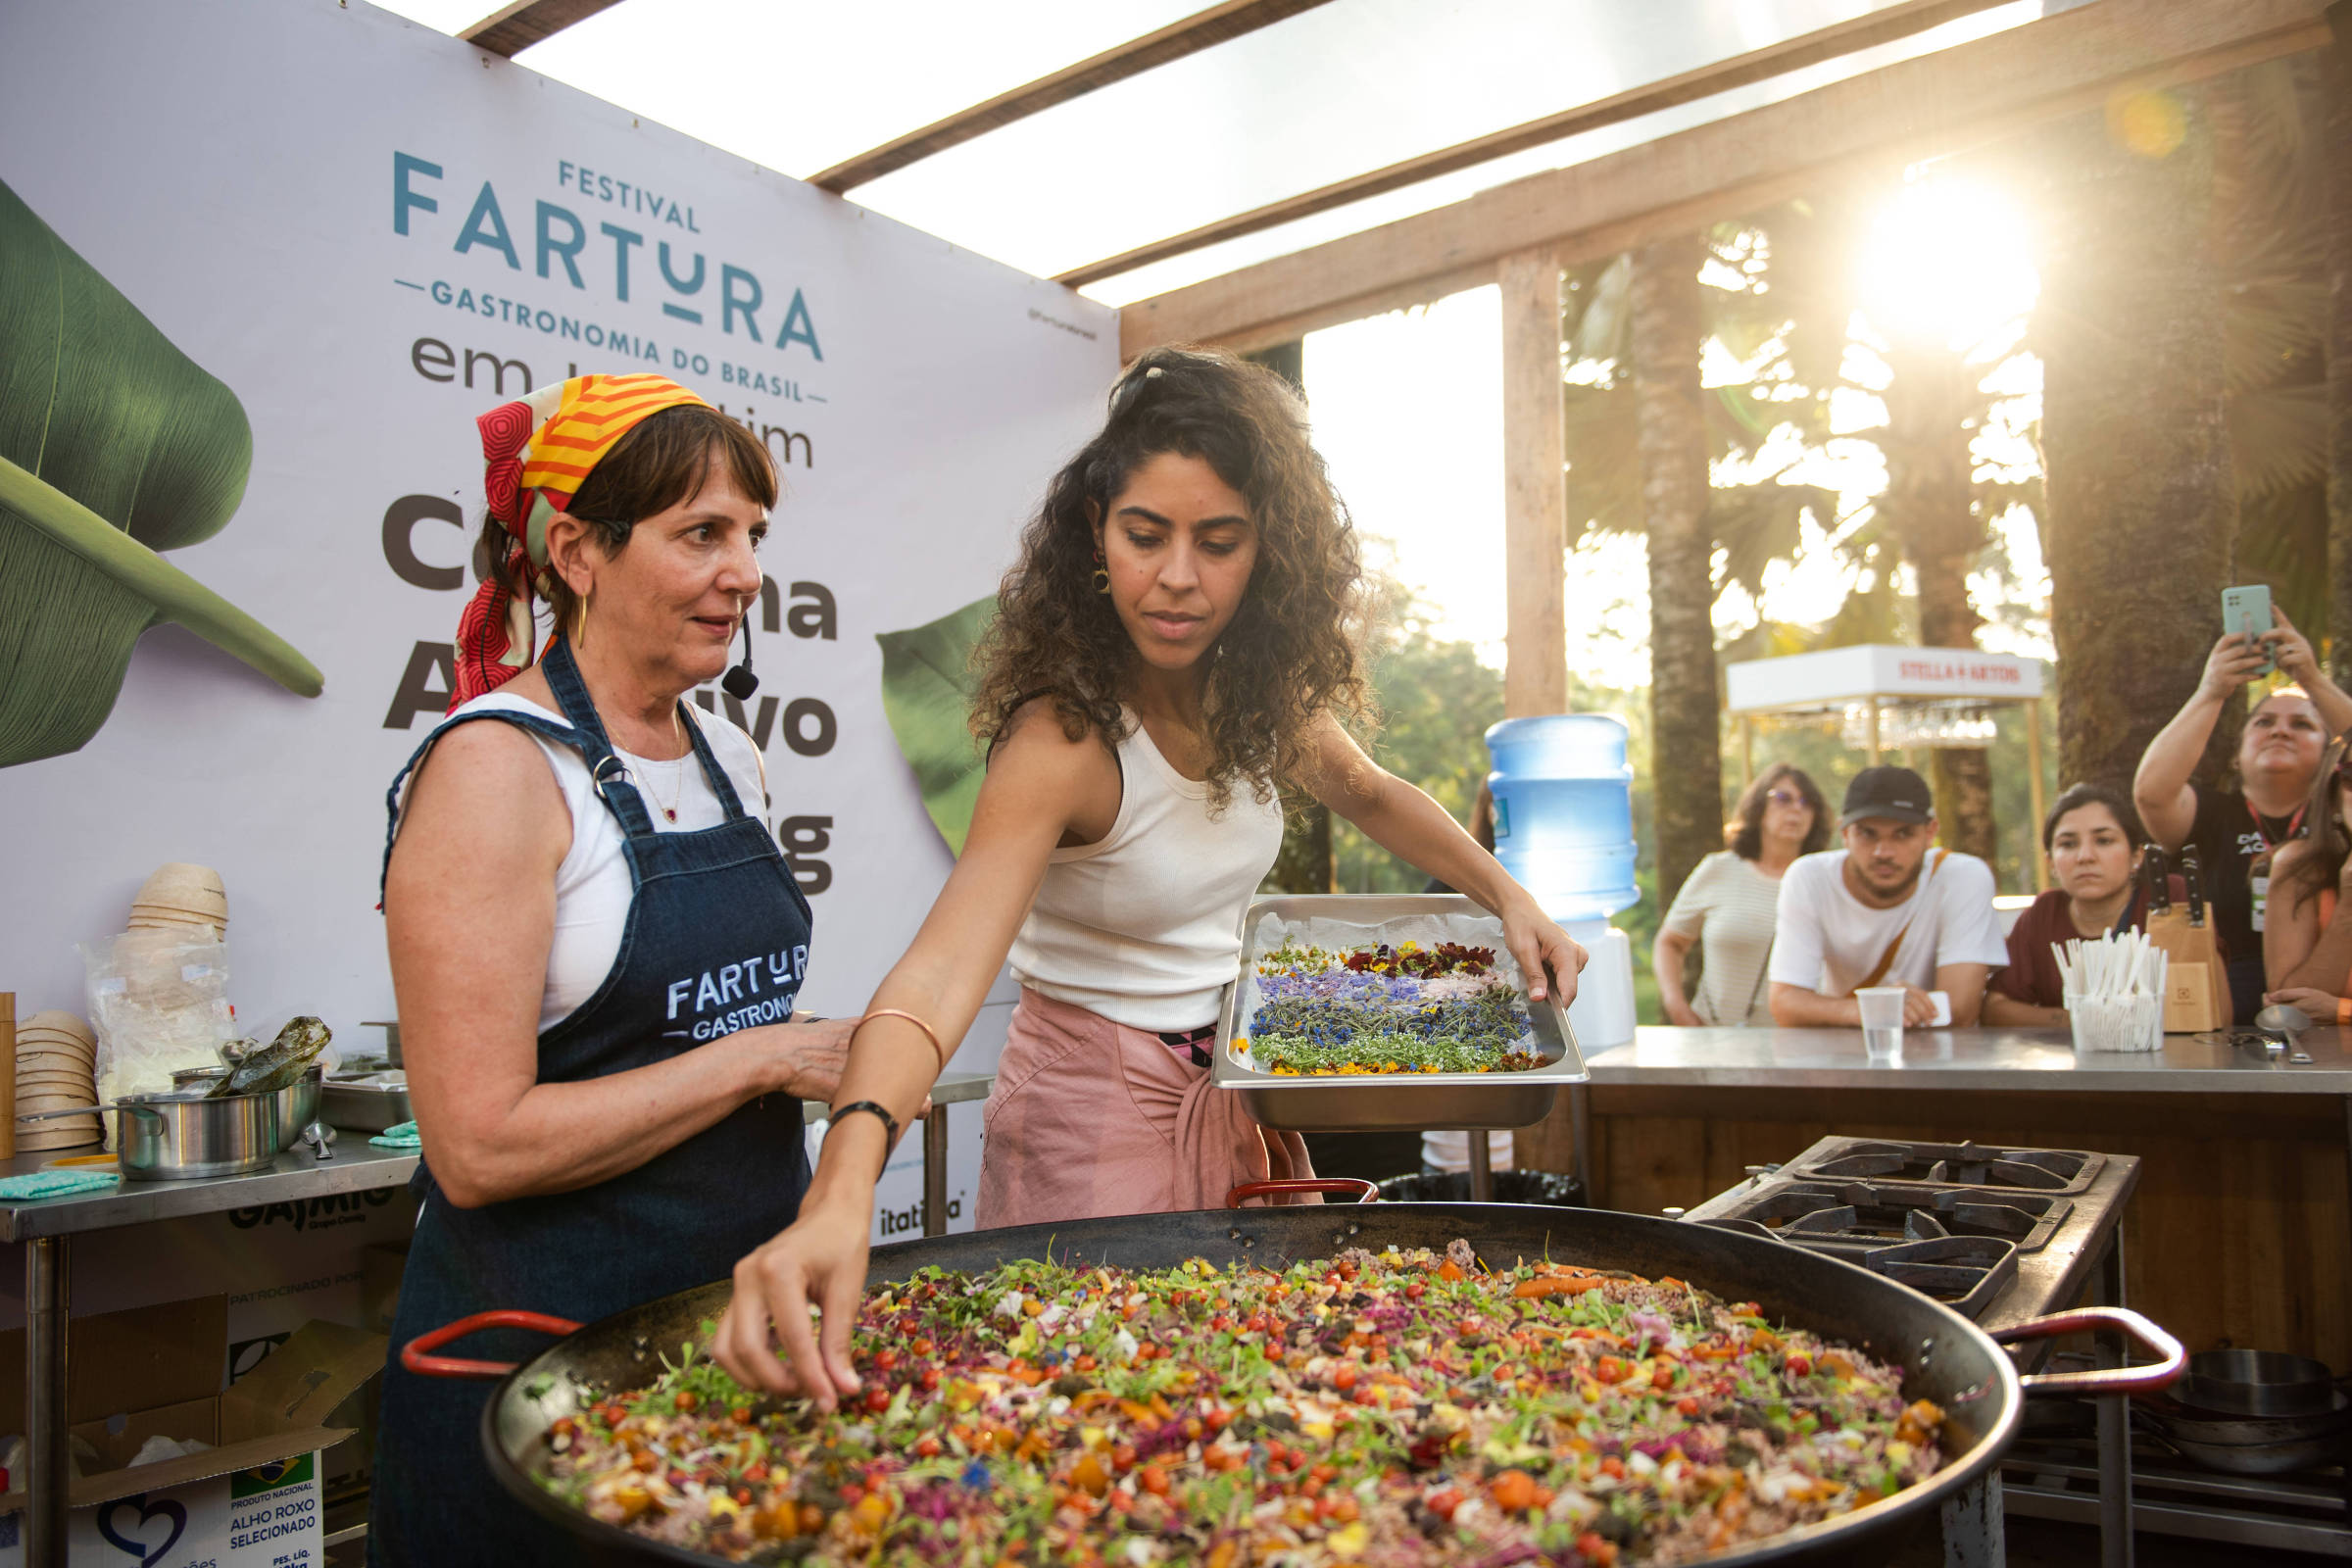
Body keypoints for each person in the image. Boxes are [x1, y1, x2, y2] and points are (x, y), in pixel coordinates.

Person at [707, 346, 1589, 1407]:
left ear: (1268, 555)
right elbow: (941, 973)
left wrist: (1512, 897)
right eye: (1145, 535)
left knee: (1233, 1400)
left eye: (1218, 542)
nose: (1178, 577)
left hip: (1225, 1088)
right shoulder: (1064, 737)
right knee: (1099, 1405)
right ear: (1095, 533)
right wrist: (843, 1184)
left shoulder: (1252, 692)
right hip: (1091, 1110)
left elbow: (1369, 787)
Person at [368, 375, 859, 1566]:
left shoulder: (729, 751)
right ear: (579, 552)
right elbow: (477, 1145)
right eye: (702, 533)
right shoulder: (496, 768)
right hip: (535, 1371)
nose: (744, 571)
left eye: (751, 535)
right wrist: (770, 1054)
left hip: (723, 1338)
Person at [2133, 611, 2352, 1023]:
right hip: (2220, 1001)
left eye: (2302, 724)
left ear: (2331, 756)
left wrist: (2312, 678)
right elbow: (2150, 793)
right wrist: (2213, 690)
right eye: (2264, 722)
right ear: (2237, 753)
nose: (2280, 731)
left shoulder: (2342, 822)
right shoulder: (2212, 813)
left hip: (2316, 1006)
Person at [1766, 764, 2009, 1028]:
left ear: (1930, 833)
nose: (1884, 852)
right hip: (1846, 1051)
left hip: (1941, 1056)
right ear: (1845, 834)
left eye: (1903, 834)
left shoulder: (1963, 876)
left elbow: (1961, 1010)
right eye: (1867, 833)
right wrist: (1873, 1009)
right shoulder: (1809, 877)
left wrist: (1862, 1011)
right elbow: (1785, 1003)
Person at [1655, 763, 1830, 1026]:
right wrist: (1676, 1005)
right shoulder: (1719, 869)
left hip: (1799, 1046)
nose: (1797, 809)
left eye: (1808, 802)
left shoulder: (1824, 881)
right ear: (1758, 806)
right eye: (1783, 798)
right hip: (1713, 1040)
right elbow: (1670, 943)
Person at [1982, 783, 2149, 1026]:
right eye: (2068, 844)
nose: (2085, 856)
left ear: (2137, 856)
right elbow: (1995, 1009)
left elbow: (2213, 1006)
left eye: (2103, 840)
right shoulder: (2044, 914)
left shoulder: (2167, 902)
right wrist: (2081, 1021)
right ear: (2050, 862)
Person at [2262, 732, 2352, 1025]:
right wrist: (2347, 910)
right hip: (2320, 1065)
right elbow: (2289, 1009)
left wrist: (2341, 1010)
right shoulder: (2298, 867)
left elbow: (2325, 1009)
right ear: (2334, 800)